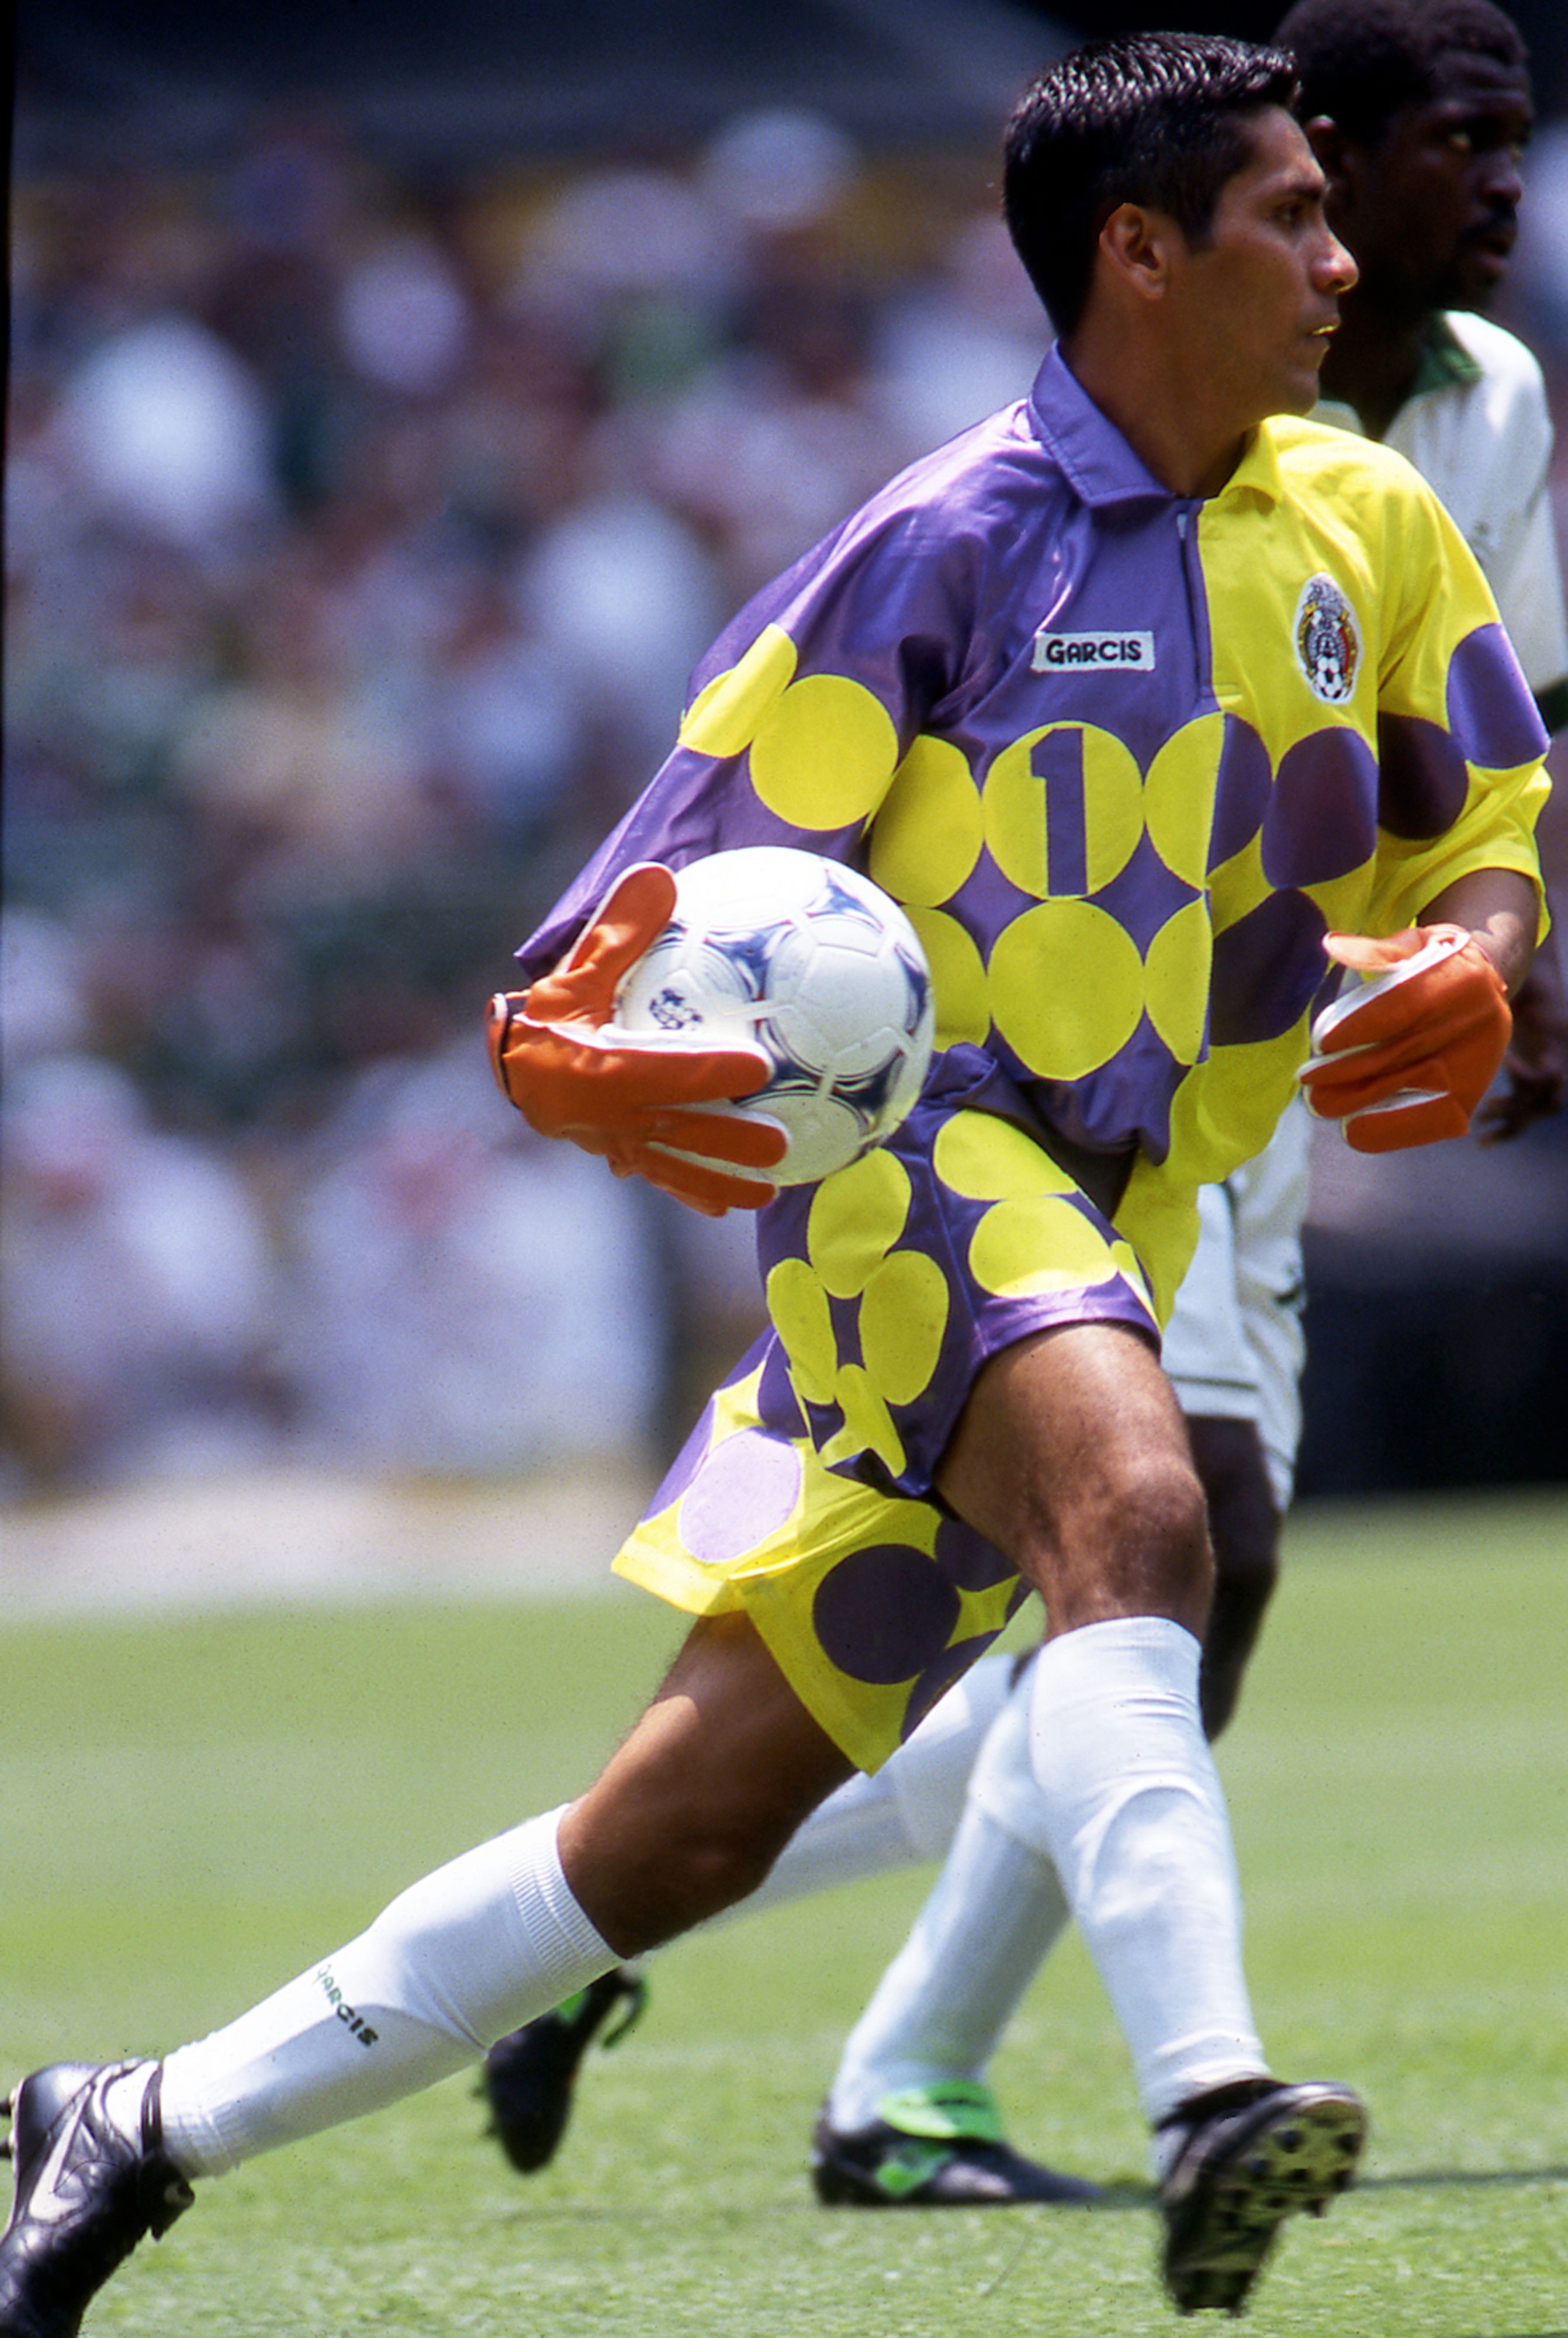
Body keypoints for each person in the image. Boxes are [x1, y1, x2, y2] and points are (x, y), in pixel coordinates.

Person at [2, 33, 1549, 2329]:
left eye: (1338, 212)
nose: (1344, 259)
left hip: (1124, 1197)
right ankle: (1208, 2089)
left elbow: (1486, 828)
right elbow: (631, 920)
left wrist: (1481, 963)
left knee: (674, 1833)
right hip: (916, 1173)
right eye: (1287, 218)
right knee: (1147, 1525)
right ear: (1134, 253)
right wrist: (568, 1055)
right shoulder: (944, 543)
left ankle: (131, 2120)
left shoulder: (1370, 526)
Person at [479, 0, 1568, 2214]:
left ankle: (646, 1966)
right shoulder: (994, 514)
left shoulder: (1475, 420)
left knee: (1087, 1594)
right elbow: (701, 843)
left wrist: (1488, 953)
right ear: (1260, 196)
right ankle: (983, 2088)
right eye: (1442, 146)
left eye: (1510, 143)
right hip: (1014, 1123)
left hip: (1253, 1071)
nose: (1483, 194)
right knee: (1174, 1553)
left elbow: (1494, 748)